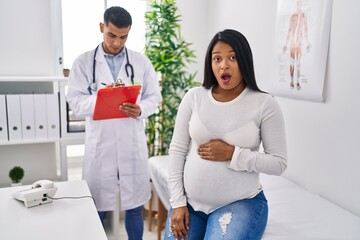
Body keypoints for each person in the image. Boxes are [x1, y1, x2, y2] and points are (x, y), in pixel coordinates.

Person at [164, 29, 287, 240]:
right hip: (190, 204)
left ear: (244, 60)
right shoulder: (194, 97)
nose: (224, 65)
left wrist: (233, 154)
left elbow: (278, 163)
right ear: (210, 64)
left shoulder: (264, 104)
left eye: (232, 57)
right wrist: (177, 203)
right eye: (217, 58)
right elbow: (177, 151)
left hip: (241, 203)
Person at [66, 6, 162, 239]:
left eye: (123, 37)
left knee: (134, 207)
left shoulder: (140, 62)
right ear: (102, 28)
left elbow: (155, 98)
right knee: (97, 207)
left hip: (131, 143)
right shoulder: (84, 62)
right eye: (112, 35)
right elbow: (75, 101)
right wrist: (102, 99)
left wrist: (140, 109)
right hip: (102, 145)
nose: (117, 42)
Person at [282, 0, 311, 90]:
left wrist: (307, 43)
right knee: (292, 63)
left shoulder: (303, 16)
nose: (299, 5)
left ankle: (297, 82)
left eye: (300, 3)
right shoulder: (293, 16)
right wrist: (286, 44)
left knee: (298, 63)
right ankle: (291, 81)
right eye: (298, 3)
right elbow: (290, 30)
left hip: (299, 43)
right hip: (292, 42)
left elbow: (305, 30)